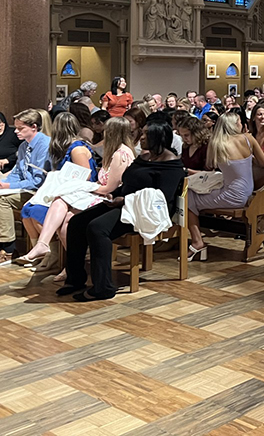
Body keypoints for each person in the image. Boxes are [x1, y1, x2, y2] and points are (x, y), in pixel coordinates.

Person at [57, 121, 183, 301]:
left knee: (97, 228)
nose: (141, 137)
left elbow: (162, 197)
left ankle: (103, 287)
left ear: (158, 137)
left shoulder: (171, 165)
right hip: (124, 202)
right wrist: (114, 196)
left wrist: (124, 200)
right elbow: (129, 182)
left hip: (145, 209)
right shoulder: (144, 157)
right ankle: (76, 278)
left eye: (146, 134)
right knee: (77, 222)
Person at [19, 117, 135, 281]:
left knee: (68, 220)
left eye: (106, 132)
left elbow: (110, 188)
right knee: (60, 200)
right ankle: (44, 246)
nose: (103, 135)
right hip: (98, 192)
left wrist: (82, 186)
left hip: (110, 199)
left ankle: (73, 265)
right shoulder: (114, 152)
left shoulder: (121, 154)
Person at [187, 112, 264, 260]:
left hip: (232, 195)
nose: (241, 124)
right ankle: (198, 241)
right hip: (246, 191)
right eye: (239, 121)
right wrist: (249, 157)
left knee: (187, 198)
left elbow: (211, 166)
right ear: (234, 124)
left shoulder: (218, 143)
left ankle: (197, 241)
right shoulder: (248, 138)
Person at [0, 110, 51, 260]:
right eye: (15, 127)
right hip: (25, 187)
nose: (15, 131)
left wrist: (8, 186)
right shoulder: (23, 146)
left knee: (2, 200)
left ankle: (8, 248)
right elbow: (17, 172)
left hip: (40, 191)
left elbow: (38, 181)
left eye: (20, 128)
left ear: (34, 127)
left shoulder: (44, 145)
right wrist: (3, 183)